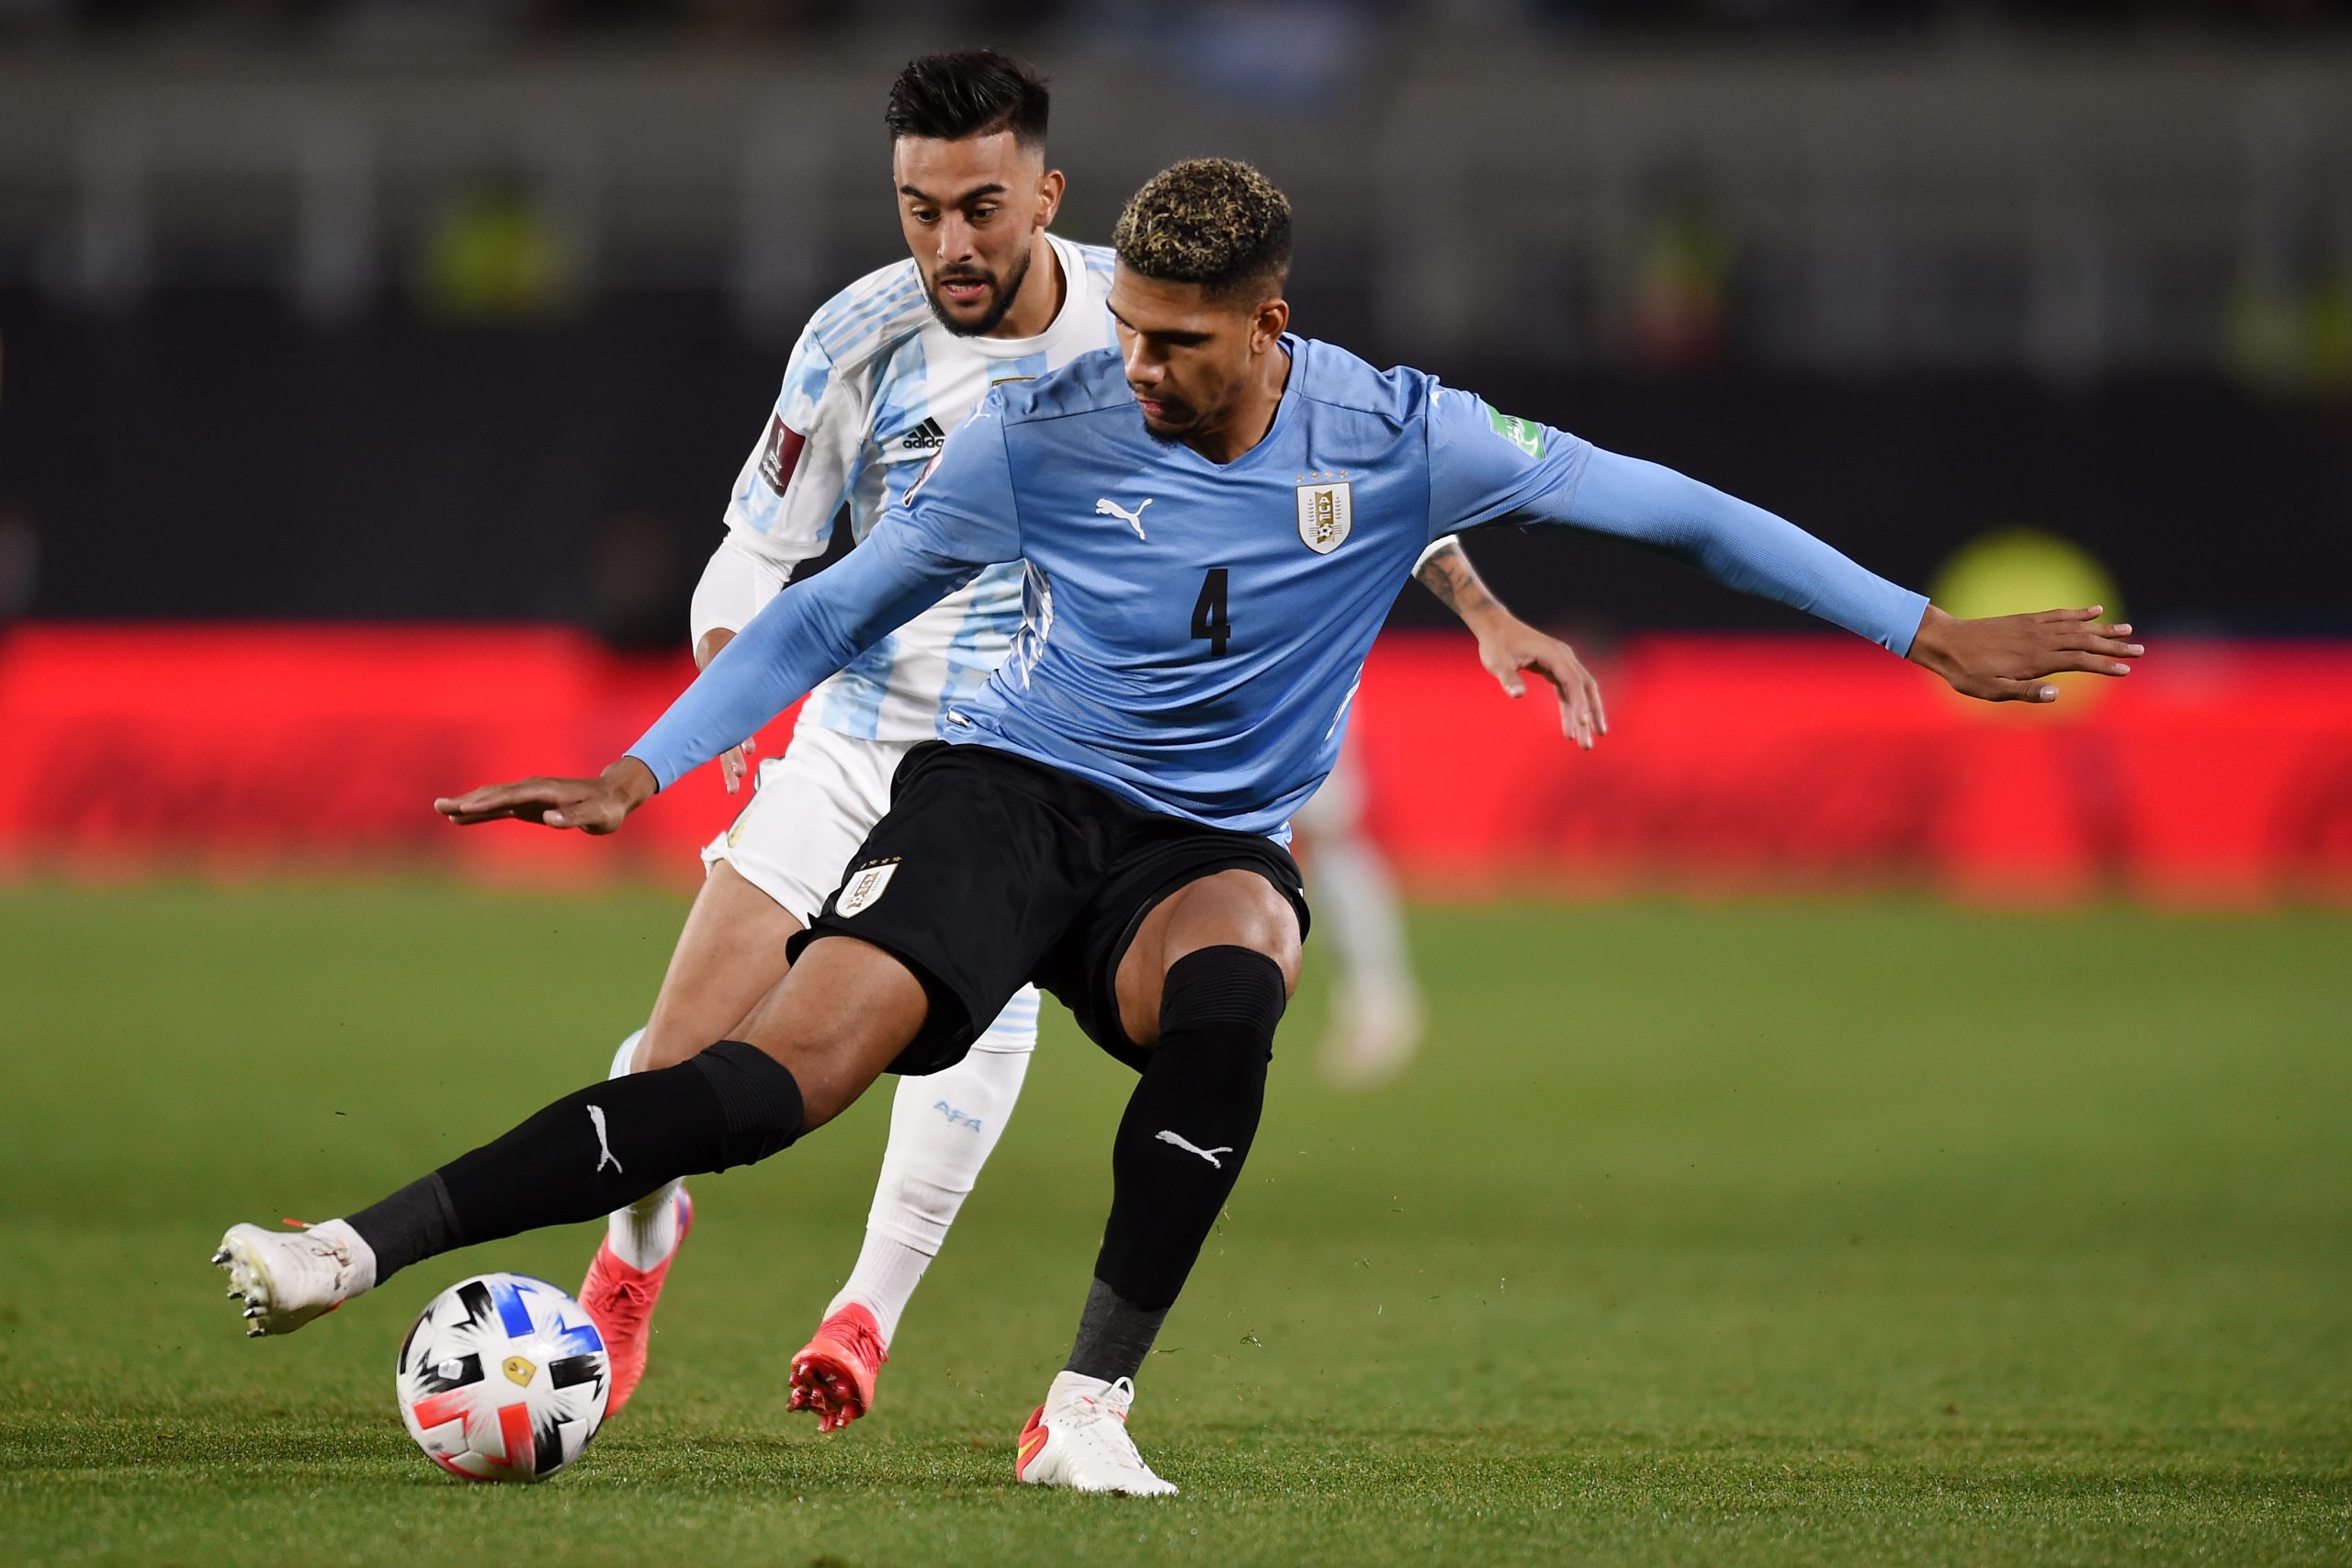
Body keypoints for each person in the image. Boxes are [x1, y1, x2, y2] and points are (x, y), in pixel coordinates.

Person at [215, 158, 2139, 1496]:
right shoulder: (1047, 429)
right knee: (765, 1080)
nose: (1128, 367)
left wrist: (1926, 630)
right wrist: (648, 760)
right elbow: (827, 610)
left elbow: (1685, 510)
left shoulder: (1399, 434)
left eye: (1172, 344)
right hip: (1003, 793)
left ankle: (1080, 1408)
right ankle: (353, 1246)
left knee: (1240, 979)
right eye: (1123, 328)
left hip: (1193, 838)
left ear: (1267, 322)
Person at [563, 52, 1592, 1432]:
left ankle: (867, 1312)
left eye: (979, 207)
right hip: (857, 741)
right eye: (919, 209)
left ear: (1044, 194)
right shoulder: (853, 336)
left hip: (1043, 763)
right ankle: (630, 1264)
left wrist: (1478, 605)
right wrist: (729, 699)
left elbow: (1351, 453)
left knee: (964, 1040)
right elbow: (757, 551)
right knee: (682, 1063)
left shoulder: (1148, 308)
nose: (950, 243)